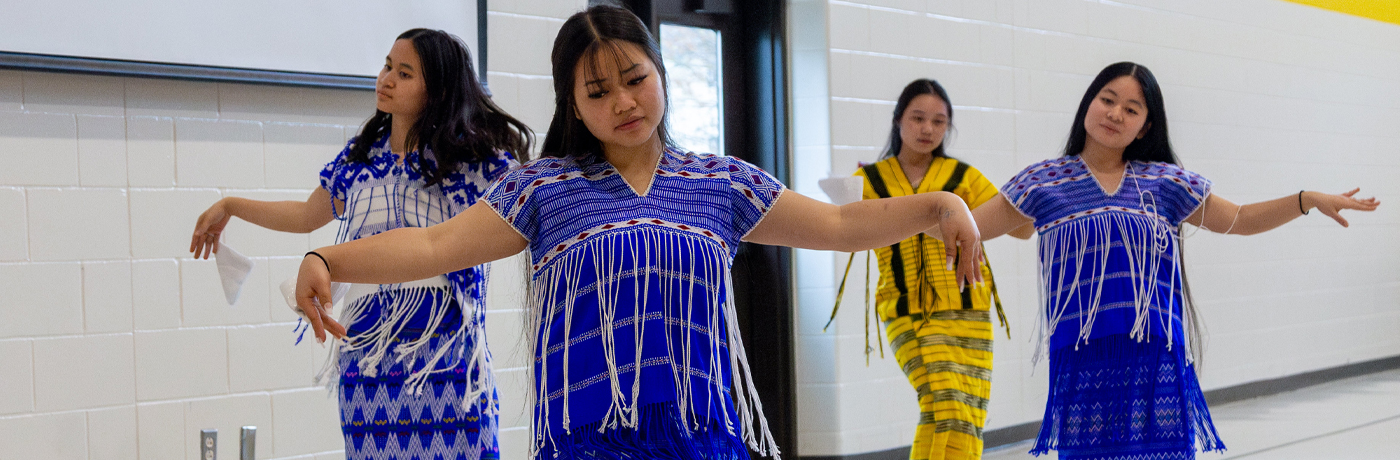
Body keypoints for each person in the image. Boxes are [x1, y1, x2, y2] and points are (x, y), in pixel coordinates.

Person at [290, 5, 985, 460]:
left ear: (661, 75)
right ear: (575, 105)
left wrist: (938, 207)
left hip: (702, 433)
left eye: (635, 79)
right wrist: (329, 255)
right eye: (598, 92)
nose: (623, 102)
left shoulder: (720, 183)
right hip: (586, 439)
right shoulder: (545, 188)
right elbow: (438, 246)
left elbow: (835, 224)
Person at [967, 62, 1380, 460]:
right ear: (1088, 103)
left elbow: (1239, 219)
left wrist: (1305, 200)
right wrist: (934, 208)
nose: (1115, 114)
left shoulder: (1164, 181)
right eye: (1107, 100)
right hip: (1083, 361)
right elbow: (965, 228)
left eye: (1131, 109)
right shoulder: (1042, 182)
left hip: (1156, 359)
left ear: (1145, 125)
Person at [189, 29, 532, 460]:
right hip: (367, 351)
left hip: (444, 350)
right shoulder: (360, 157)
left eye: (404, 73)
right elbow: (305, 215)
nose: (386, 78)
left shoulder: (468, 159)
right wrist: (233, 205)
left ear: (438, 90)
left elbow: (523, 202)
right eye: (388, 65)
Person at [852, 78, 1030, 460]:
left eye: (939, 121)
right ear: (898, 120)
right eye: (918, 118)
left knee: (961, 415)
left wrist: (1033, 196)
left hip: (969, 310)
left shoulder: (963, 177)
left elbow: (1023, 229)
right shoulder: (868, 180)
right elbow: (845, 230)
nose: (927, 129)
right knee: (947, 404)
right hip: (905, 312)